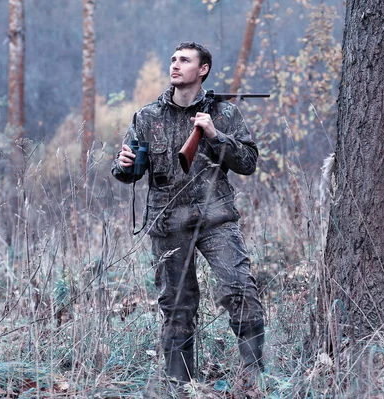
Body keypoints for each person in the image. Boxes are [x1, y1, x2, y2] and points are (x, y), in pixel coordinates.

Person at [111, 41, 265, 396]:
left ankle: (256, 381)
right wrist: (123, 167)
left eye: (185, 60)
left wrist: (214, 134)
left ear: (203, 69)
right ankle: (182, 388)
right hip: (168, 222)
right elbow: (129, 170)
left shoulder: (223, 114)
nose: (176, 65)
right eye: (173, 60)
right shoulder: (146, 117)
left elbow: (248, 163)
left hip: (216, 218)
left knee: (241, 289)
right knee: (177, 308)